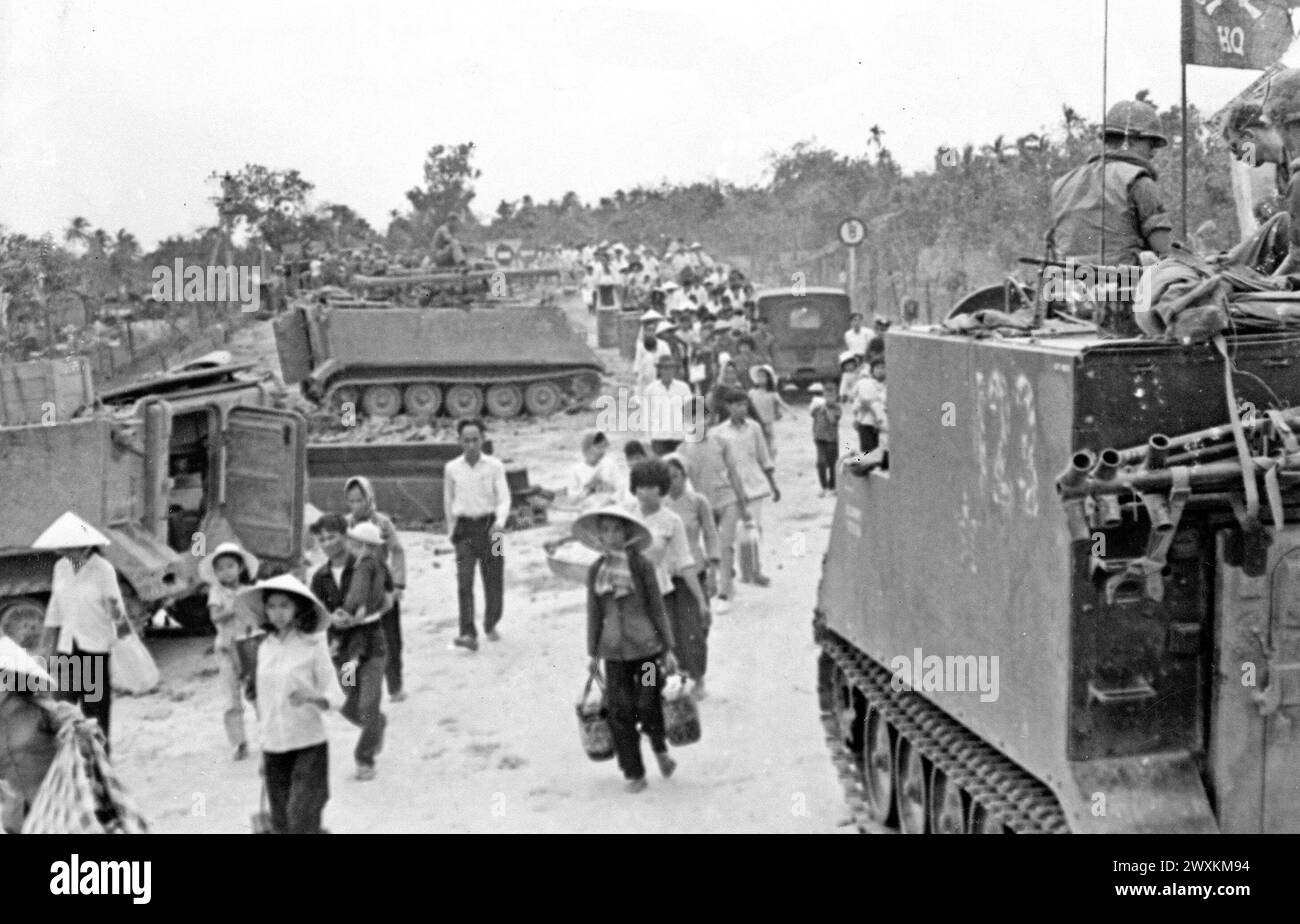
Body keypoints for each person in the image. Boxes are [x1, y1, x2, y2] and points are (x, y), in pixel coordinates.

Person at [577, 506, 678, 793]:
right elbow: (594, 613)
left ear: (627, 533)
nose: (611, 536)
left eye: (616, 530)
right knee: (620, 711)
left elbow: (656, 607)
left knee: (648, 703)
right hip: (614, 654)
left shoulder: (641, 566)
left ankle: (660, 750)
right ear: (599, 536)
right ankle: (634, 772)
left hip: (646, 651)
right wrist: (593, 654)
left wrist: (667, 648)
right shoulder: (597, 571)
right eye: (605, 530)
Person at [239, 574, 344, 835]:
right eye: (272, 606)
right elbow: (262, 703)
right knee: (282, 823)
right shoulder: (264, 648)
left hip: (308, 742)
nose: (278, 613)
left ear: (298, 607)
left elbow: (335, 694)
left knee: (302, 815)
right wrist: (263, 748)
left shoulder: (312, 646)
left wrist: (313, 697)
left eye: (285, 605)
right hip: (274, 745)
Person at [34, 512, 127, 756]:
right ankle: (70, 763)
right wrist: (46, 645)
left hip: (94, 648)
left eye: (70, 547)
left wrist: (119, 621)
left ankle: (100, 765)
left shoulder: (103, 569)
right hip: (67, 648)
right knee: (63, 709)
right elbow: (54, 608)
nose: (65, 552)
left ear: (85, 545)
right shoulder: (61, 568)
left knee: (94, 713)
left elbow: (118, 613)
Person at [1047, 98, 1173, 268]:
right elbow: (1163, 249)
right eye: (1151, 143)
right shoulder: (1139, 181)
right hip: (1124, 286)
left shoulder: (1062, 183)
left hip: (1065, 286)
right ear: (1132, 140)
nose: (1153, 152)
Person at [310, 515, 388, 782]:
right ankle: (376, 725)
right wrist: (333, 620)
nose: (327, 543)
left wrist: (364, 613)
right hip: (341, 649)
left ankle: (364, 758)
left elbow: (388, 597)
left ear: (346, 536)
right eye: (321, 539)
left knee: (368, 702)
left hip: (372, 642)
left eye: (332, 536)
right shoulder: (319, 578)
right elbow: (313, 613)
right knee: (349, 703)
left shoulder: (368, 564)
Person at [675, 397, 752, 609]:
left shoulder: (721, 443)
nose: (696, 421)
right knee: (710, 546)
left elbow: (734, 475)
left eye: (701, 416)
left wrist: (743, 504)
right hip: (703, 505)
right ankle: (715, 579)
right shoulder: (682, 451)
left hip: (727, 500)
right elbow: (680, 485)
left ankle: (724, 593)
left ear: (709, 418)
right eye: (691, 417)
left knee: (725, 545)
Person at [444, 418, 511, 652]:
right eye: (466, 440)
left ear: (483, 439)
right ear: (459, 441)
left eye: (475, 440)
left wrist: (500, 522)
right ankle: (467, 633)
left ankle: (491, 622)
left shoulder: (495, 466)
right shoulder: (451, 468)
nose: (471, 445)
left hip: (494, 530)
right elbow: (448, 500)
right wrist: (451, 531)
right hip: (465, 530)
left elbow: (504, 498)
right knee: (464, 581)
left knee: (494, 579)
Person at [344, 476, 406, 702]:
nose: (356, 506)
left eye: (360, 500)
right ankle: (352, 689)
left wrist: (398, 585)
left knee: (391, 639)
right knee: (352, 643)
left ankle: (395, 686)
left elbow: (397, 551)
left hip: (382, 585)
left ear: (369, 498)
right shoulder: (346, 526)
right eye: (351, 501)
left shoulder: (382, 523)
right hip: (357, 588)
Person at [712, 387, 781, 587]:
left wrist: (773, 484)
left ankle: (755, 569)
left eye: (744, 404)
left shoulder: (754, 428)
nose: (742, 409)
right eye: (737, 405)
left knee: (754, 527)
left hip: (754, 483)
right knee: (736, 529)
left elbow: (764, 456)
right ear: (728, 407)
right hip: (731, 485)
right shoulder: (718, 432)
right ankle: (739, 568)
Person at [663, 456, 718, 698]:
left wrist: (715, 570)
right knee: (670, 632)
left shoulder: (698, 502)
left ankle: (698, 678)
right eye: (667, 476)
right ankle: (678, 678)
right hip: (666, 576)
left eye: (676, 475)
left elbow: (711, 535)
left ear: (685, 477)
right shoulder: (658, 506)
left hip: (694, 574)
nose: (672, 481)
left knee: (695, 629)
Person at [199, 541, 260, 760]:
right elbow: (215, 616)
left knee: (257, 693)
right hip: (226, 648)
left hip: (248, 647)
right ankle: (239, 742)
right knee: (231, 698)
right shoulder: (217, 592)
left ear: (241, 568)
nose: (226, 572)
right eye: (221, 568)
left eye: (230, 566)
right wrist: (232, 608)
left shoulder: (249, 591)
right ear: (215, 573)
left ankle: (269, 735)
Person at [643, 354, 694, 455]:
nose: (668, 371)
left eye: (670, 368)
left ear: (674, 370)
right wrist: (648, 437)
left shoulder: (683, 388)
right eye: (664, 368)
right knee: (662, 468)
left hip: (679, 436)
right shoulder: (650, 390)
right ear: (659, 370)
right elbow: (646, 415)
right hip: (659, 436)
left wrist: (690, 434)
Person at [569, 429, 621, 510]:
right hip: (588, 512)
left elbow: (620, 489)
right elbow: (572, 501)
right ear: (586, 450)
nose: (602, 451)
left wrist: (611, 500)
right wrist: (590, 487)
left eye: (604, 447)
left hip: (610, 509)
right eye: (598, 447)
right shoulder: (576, 470)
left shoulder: (610, 464)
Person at [747, 364, 788, 459]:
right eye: (759, 376)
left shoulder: (772, 394)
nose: (760, 378)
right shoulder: (752, 393)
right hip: (754, 423)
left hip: (768, 423)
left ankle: (769, 462)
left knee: (769, 444)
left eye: (763, 376)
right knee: (755, 445)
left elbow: (781, 404)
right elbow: (747, 405)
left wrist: (791, 413)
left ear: (769, 379)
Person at [809, 382, 842, 496]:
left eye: (832, 396)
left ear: (836, 396)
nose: (829, 398)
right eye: (827, 396)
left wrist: (827, 409)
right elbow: (812, 414)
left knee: (833, 463)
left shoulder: (837, 408)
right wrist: (816, 406)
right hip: (819, 438)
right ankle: (823, 486)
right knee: (821, 463)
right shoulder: (818, 407)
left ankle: (832, 486)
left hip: (832, 439)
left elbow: (833, 421)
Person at [852, 357, 888, 453]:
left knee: (879, 454)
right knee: (867, 453)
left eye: (883, 367)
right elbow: (856, 400)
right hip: (865, 423)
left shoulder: (889, 386)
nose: (880, 370)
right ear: (872, 370)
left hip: (882, 426)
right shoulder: (865, 383)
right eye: (878, 368)